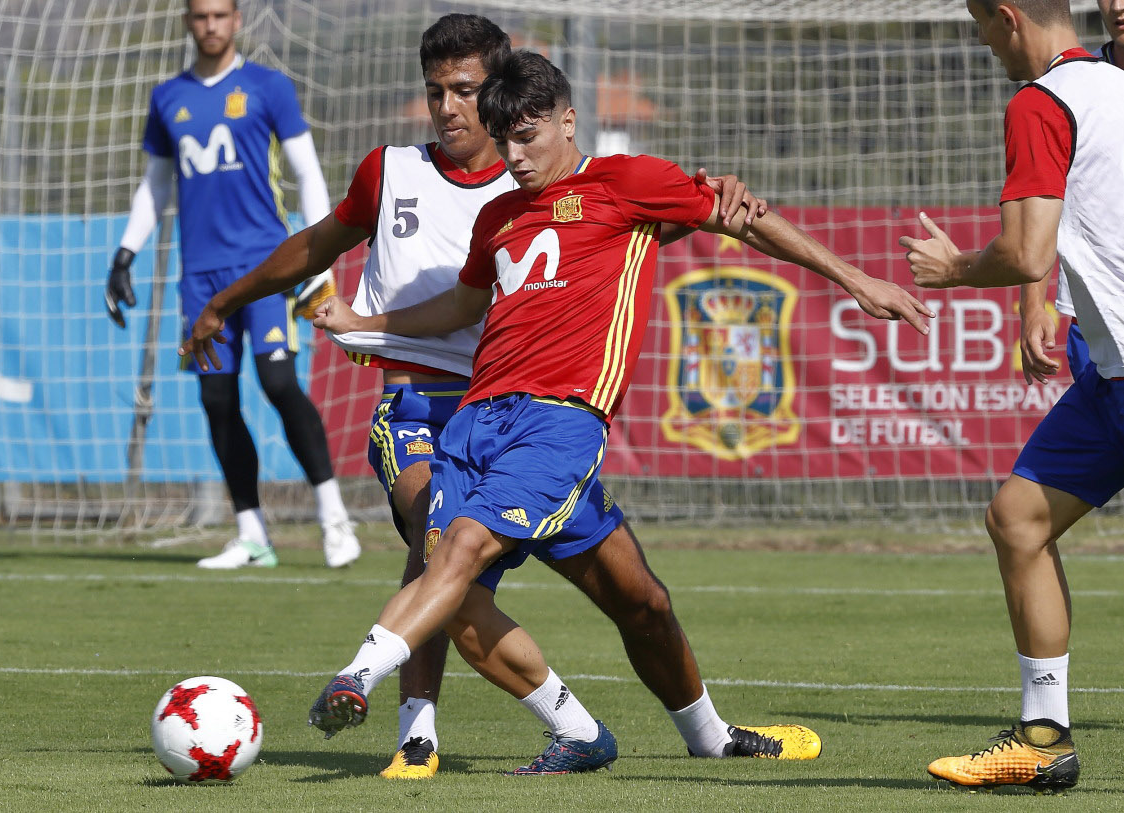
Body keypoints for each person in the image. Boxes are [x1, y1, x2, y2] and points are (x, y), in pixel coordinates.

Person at [200, 49, 926, 775]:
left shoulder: (628, 180)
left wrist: (855, 279)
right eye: (504, 138)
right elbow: (462, 305)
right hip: (479, 420)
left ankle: (359, 677)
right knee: (488, 588)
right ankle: (573, 732)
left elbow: (742, 217)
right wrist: (363, 324)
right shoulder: (498, 217)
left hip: (559, 421)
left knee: (559, 582)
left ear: (567, 120)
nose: (514, 155)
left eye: (527, 136)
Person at [902, 0, 1124, 793]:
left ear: (1007, 18)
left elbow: (1025, 248)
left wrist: (951, 268)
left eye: (978, 25)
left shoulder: (1042, 100)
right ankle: (1040, 736)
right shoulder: (1113, 85)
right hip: (1109, 378)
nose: (983, 43)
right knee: (1018, 517)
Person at [106, 0, 359, 570]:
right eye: (201, 16)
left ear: (237, 20)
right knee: (217, 400)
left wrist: (316, 263)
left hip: (266, 268)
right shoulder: (168, 97)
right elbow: (156, 184)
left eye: (220, 15)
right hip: (201, 276)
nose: (211, 25)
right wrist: (125, 252)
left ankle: (334, 518)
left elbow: (308, 174)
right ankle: (252, 534)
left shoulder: (268, 88)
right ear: (189, 22)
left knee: (277, 383)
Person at [1017, 0, 1120, 386]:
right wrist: (1032, 306)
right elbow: (1044, 198)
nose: (1119, 6)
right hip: (1091, 311)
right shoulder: (1075, 84)